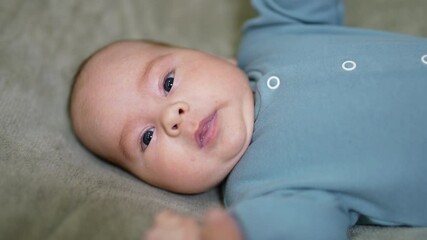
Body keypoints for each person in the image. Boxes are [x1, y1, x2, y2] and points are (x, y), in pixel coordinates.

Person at [69, 0, 427, 239]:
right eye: (145, 138)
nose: (171, 117)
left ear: (218, 58)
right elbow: (299, 227)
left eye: (167, 82)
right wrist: (225, 233)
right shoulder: (260, 190)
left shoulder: (274, 35)